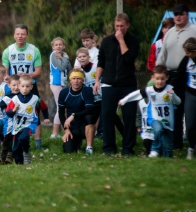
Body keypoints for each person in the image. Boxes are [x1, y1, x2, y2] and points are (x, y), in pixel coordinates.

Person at [94, 13, 139, 156]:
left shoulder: (133, 41)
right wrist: (97, 81)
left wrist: (121, 40)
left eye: (122, 26)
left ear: (128, 25)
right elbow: (101, 62)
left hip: (128, 85)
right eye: (117, 26)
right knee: (107, 116)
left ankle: (128, 148)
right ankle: (108, 148)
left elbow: (128, 58)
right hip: (108, 84)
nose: (119, 29)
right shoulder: (106, 41)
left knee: (129, 116)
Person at [119, 65, 181, 158]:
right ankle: (155, 149)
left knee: (168, 148)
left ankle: (167, 161)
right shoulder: (149, 90)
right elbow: (136, 94)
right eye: (157, 79)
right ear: (153, 78)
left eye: (162, 79)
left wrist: (173, 96)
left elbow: (178, 102)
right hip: (154, 118)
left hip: (168, 121)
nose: (160, 81)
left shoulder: (170, 89)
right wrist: (124, 100)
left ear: (167, 78)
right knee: (158, 129)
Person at [157, 4, 196, 150]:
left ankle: (192, 143)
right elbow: (163, 54)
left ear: (187, 15)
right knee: (175, 109)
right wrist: (158, 71)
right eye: (176, 14)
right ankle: (176, 143)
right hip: (172, 74)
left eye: (181, 14)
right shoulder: (170, 32)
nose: (178, 17)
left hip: (191, 74)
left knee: (190, 109)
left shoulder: (194, 30)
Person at [2, 24, 44, 149]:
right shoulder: (8, 51)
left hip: (30, 86)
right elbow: (5, 72)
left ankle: (38, 142)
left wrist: (27, 75)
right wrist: (7, 77)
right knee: (10, 112)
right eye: (18, 34)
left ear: (27, 35)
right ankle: (9, 141)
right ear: (14, 35)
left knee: (35, 113)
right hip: (14, 88)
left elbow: (39, 72)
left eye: (23, 34)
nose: (20, 36)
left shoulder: (34, 50)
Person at [6, 75, 49, 165]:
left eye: (27, 86)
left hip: (30, 124)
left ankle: (26, 152)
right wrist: (13, 110)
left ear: (31, 87)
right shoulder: (15, 99)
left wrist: (46, 118)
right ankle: (20, 164)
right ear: (18, 86)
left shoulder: (35, 99)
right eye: (22, 86)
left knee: (24, 137)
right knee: (16, 148)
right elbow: (8, 113)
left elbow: (44, 108)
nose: (25, 89)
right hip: (17, 126)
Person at [58, 69, 96, 154]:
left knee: (90, 117)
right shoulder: (64, 92)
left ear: (83, 80)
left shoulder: (87, 90)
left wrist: (74, 115)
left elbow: (90, 109)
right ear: (70, 80)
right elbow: (61, 113)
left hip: (84, 125)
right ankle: (77, 142)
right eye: (74, 78)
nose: (76, 81)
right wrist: (66, 130)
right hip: (72, 127)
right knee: (68, 150)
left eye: (78, 78)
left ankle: (89, 147)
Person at [171, 37, 196, 159]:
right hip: (191, 94)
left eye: (189, 52)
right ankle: (191, 147)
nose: (186, 54)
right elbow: (179, 75)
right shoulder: (187, 60)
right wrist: (169, 88)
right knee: (190, 124)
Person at [49, 37, 71, 139]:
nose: (58, 46)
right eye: (56, 45)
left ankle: (62, 130)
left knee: (63, 107)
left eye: (60, 44)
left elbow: (69, 68)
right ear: (53, 47)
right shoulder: (54, 55)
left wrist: (64, 58)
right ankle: (55, 133)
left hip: (62, 83)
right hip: (56, 83)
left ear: (63, 46)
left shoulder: (62, 55)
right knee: (60, 107)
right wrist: (65, 59)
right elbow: (62, 67)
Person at [0, 74, 20, 164]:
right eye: (14, 85)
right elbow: (0, 106)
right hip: (9, 121)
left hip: (20, 122)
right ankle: (4, 157)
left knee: (17, 139)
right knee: (6, 139)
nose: (16, 87)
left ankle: (14, 155)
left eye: (18, 85)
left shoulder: (23, 96)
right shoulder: (7, 97)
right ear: (9, 86)